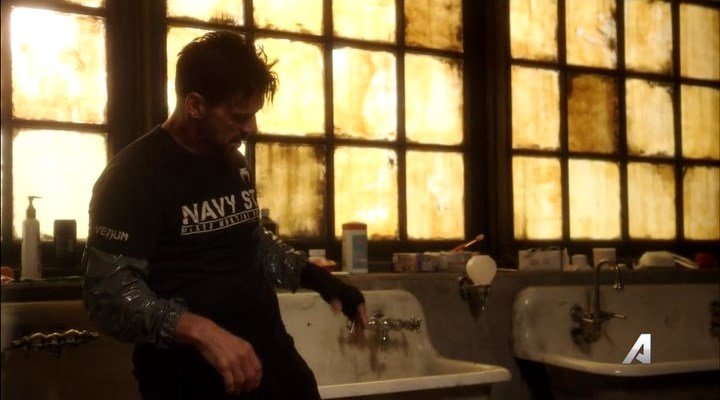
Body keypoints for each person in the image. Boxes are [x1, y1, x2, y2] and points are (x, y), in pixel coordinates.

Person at [82, 30, 367, 400]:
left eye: (253, 115)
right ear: (195, 105)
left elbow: (249, 239)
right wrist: (201, 330)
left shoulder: (232, 161)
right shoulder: (133, 177)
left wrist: (317, 278)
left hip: (268, 357)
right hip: (187, 375)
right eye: (239, 116)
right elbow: (107, 294)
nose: (251, 129)